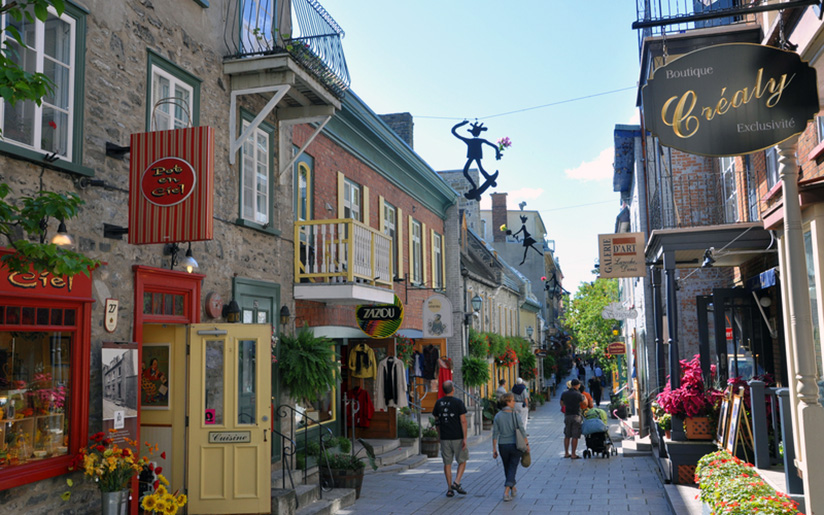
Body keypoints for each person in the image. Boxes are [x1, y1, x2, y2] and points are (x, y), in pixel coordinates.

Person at [432, 380, 468, 498]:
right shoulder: (458, 403)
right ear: (453, 389)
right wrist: (465, 438)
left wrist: (439, 435)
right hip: (457, 436)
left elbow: (437, 421)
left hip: (445, 437)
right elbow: (463, 421)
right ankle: (456, 482)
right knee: (462, 460)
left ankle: (449, 489)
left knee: (447, 463)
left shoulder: (438, 403)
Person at [492, 392, 530, 502]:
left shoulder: (498, 416)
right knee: (513, 467)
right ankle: (506, 491)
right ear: (508, 402)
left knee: (507, 467)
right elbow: (522, 431)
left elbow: (495, 433)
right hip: (515, 445)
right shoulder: (515, 415)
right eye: (512, 400)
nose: (514, 402)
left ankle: (512, 487)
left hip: (502, 445)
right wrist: (527, 444)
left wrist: (494, 448)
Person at [560, 379, 585, 459]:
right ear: (577, 385)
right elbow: (584, 403)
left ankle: (566, 453)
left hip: (567, 415)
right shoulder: (578, 394)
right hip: (576, 416)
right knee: (575, 436)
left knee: (567, 435)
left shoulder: (564, 393)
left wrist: (566, 406)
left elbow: (561, 403)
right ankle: (573, 454)